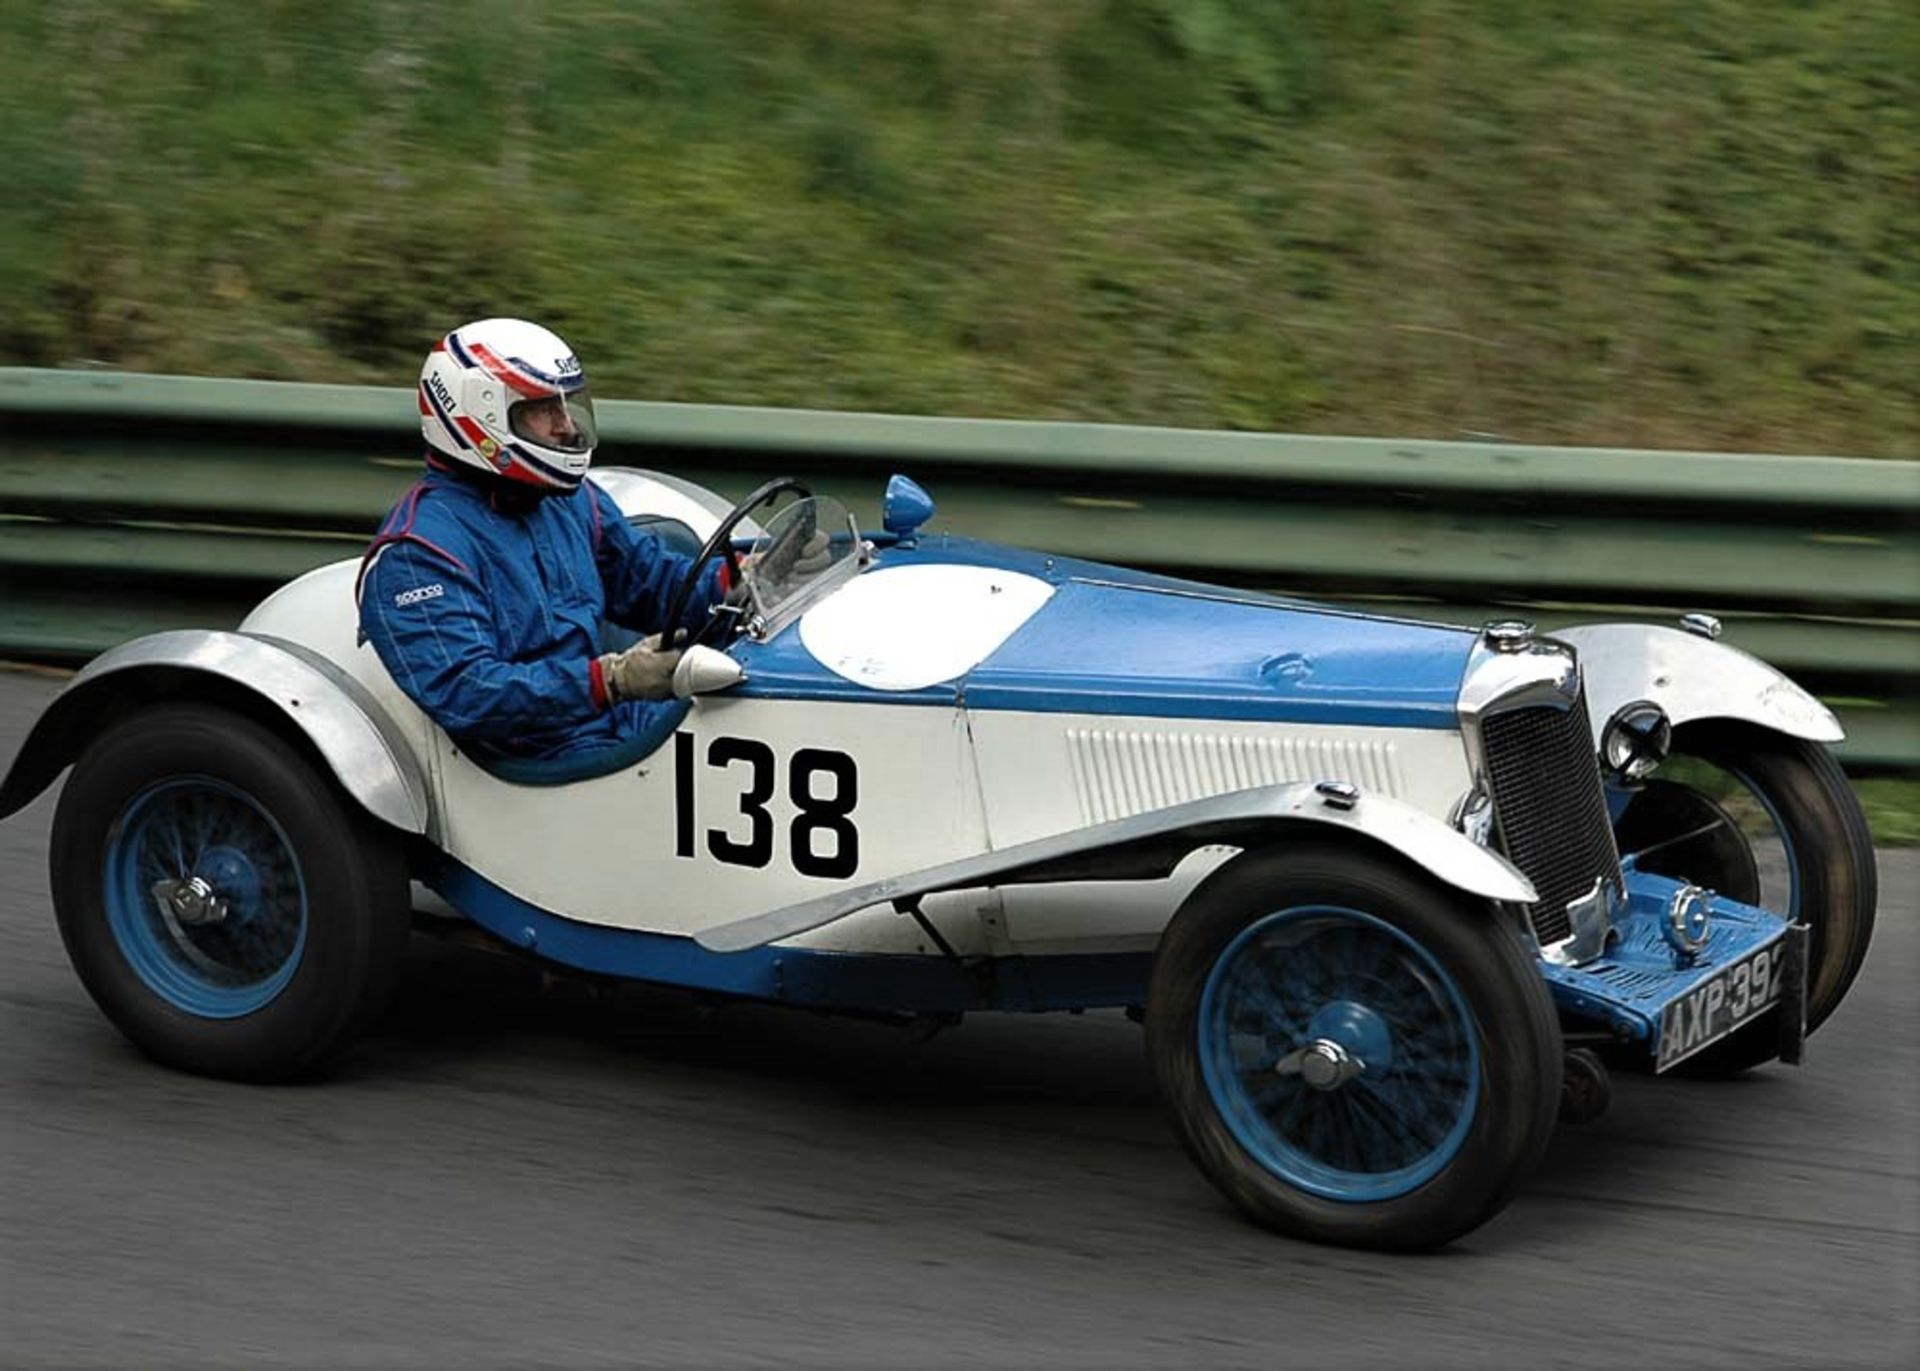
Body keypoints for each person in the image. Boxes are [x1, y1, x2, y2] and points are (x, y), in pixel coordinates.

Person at [357, 317, 728, 762]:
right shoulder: (417, 553)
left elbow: (650, 583)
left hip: (618, 724)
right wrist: (611, 680)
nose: (567, 426)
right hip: (545, 757)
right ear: (483, 417)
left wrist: (739, 581)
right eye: (543, 410)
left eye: (566, 406)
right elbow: (469, 693)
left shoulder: (571, 499)